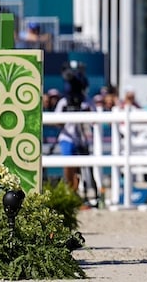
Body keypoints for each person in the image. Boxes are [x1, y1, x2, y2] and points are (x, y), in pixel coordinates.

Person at [54, 61, 93, 196]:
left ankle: (83, 190)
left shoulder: (86, 101)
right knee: (68, 164)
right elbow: (57, 121)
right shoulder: (64, 102)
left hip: (81, 139)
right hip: (67, 137)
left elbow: (94, 119)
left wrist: (85, 114)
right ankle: (71, 191)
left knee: (81, 165)